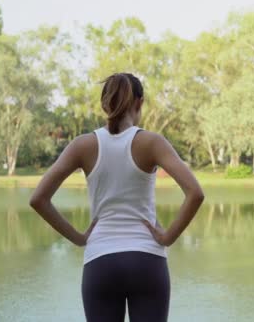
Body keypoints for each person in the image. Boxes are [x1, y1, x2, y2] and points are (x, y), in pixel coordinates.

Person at [29, 73, 204, 322]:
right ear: (139, 103)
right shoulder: (152, 142)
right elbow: (195, 193)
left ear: (104, 104)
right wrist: (167, 237)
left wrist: (79, 238)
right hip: (147, 260)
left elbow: (38, 199)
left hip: (101, 261)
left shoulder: (82, 145)